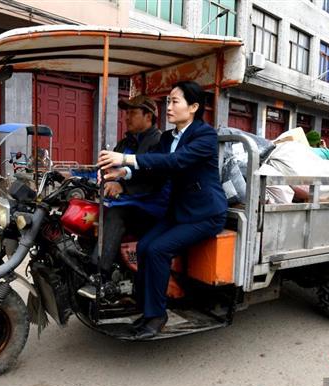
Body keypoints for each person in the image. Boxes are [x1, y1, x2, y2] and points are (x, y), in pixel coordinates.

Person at [97, 81, 227, 339]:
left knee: (157, 249)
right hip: (179, 212)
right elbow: (152, 165)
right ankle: (147, 310)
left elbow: (175, 162)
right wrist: (122, 172)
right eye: (168, 101)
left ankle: (157, 316)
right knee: (143, 247)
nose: (168, 107)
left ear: (193, 107)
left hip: (205, 214)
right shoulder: (167, 138)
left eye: (175, 101)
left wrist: (125, 158)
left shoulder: (205, 136)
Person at [79, 95, 166, 299]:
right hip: (126, 201)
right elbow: (105, 170)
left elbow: (154, 178)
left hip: (150, 207)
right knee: (85, 211)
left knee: (117, 214)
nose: (126, 117)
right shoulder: (125, 142)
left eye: (132, 113)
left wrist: (122, 186)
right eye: (126, 113)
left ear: (148, 116)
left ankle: (100, 276)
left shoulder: (158, 142)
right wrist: (74, 174)